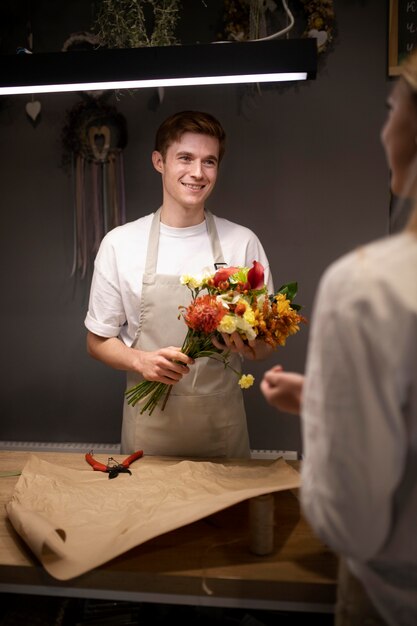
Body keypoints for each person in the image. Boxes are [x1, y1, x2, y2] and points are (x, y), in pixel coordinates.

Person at [260, 50, 417, 626]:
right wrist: (330, 395)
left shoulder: (368, 287)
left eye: (391, 109)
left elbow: (352, 519)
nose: (383, 129)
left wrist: (331, 417)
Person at [85, 110, 274, 459]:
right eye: (185, 158)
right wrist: (140, 361)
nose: (197, 173)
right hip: (148, 432)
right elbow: (97, 342)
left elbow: (265, 347)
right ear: (159, 161)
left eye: (209, 162)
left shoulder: (242, 243)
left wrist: (245, 345)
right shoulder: (121, 243)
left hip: (222, 431)